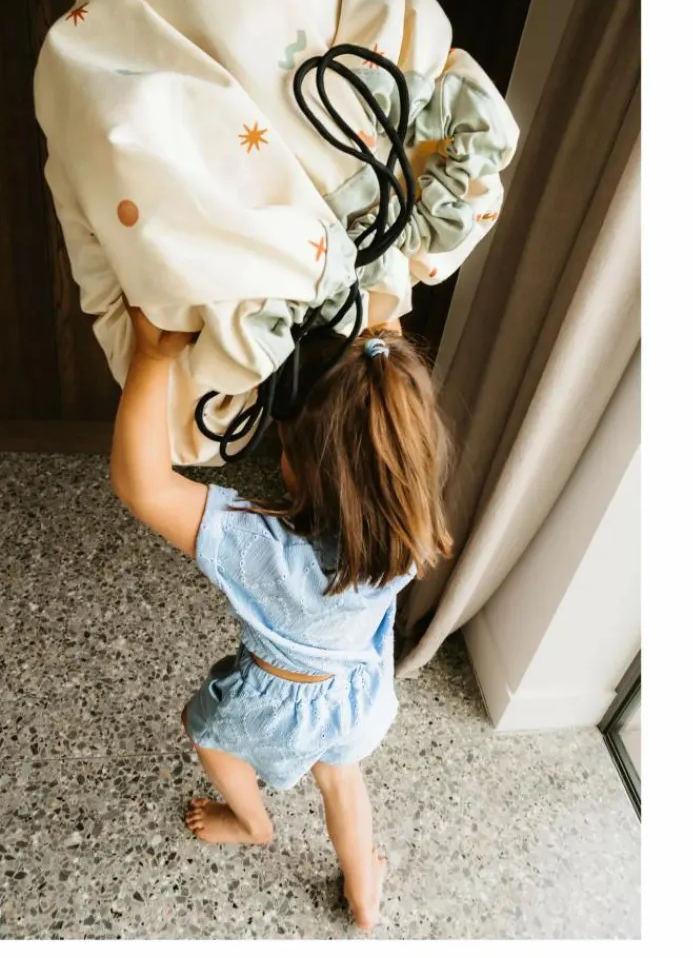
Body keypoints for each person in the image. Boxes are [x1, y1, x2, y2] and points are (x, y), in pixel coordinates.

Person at [110, 304, 452, 930]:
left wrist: (153, 357)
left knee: (202, 728)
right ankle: (363, 893)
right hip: (353, 696)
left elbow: (144, 485)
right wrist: (378, 314)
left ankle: (251, 823)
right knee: (341, 782)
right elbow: (388, 390)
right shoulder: (411, 527)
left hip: (272, 707)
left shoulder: (265, 550)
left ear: (301, 465)